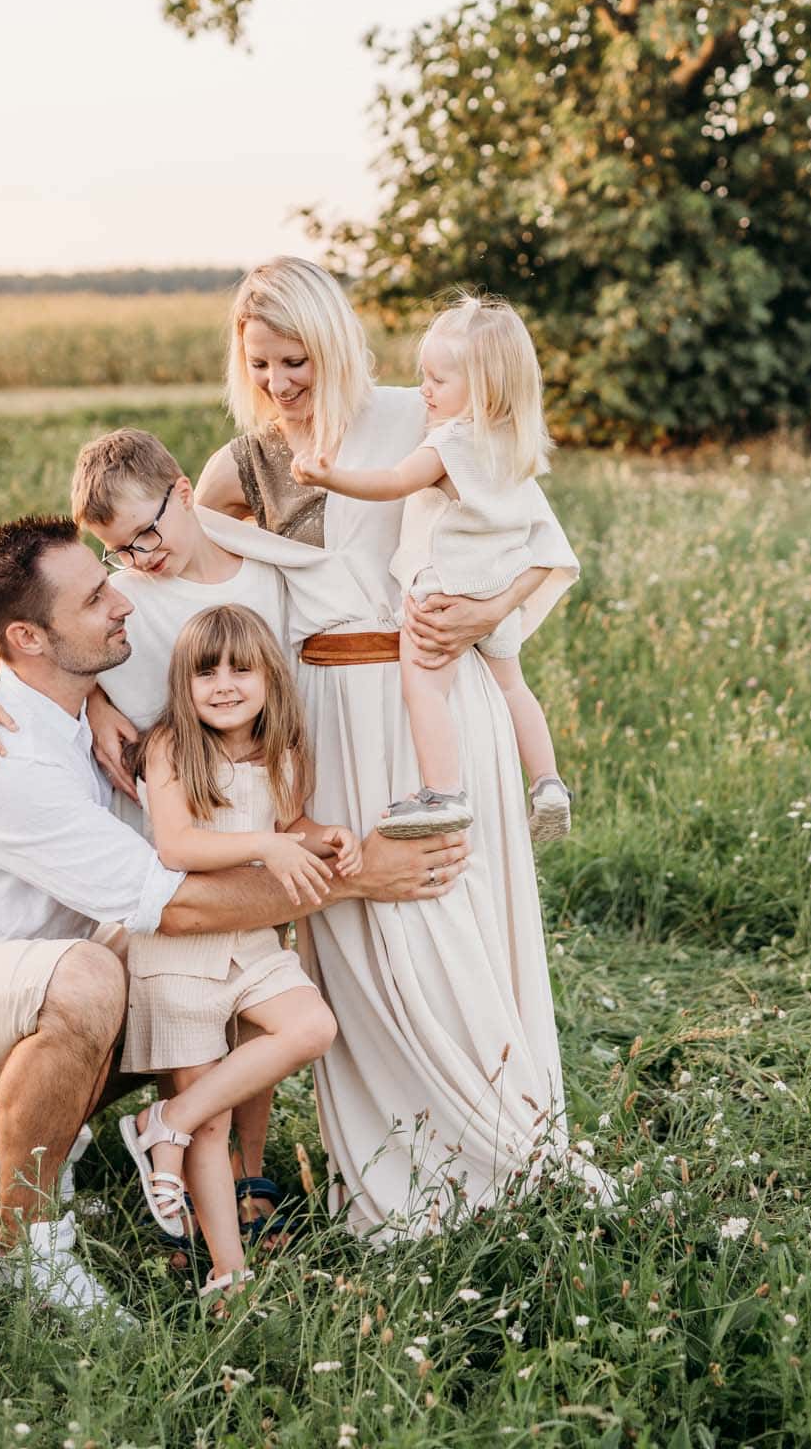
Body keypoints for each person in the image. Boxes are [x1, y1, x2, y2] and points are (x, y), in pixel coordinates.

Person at [0, 515, 469, 1319]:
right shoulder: (5, 763)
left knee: (191, 971)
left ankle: (0, 1140)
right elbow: (175, 905)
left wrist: (16, 681)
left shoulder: (73, 701)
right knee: (95, 975)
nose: (123, 603)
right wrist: (356, 878)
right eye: (95, 599)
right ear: (29, 639)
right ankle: (26, 1251)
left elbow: (10, 636)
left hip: (31, 966)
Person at [196, 256, 609, 1238]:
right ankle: (396, 1195)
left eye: (296, 359)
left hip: (434, 701)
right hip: (327, 719)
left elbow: (533, 531)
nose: (279, 382)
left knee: (449, 922)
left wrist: (491, 609)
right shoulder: (244, 465)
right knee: (362, 942)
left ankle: (509, 1156)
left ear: (334, 344)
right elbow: (132, 559)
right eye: (261, 363)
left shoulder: (420, 416)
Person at [119, 606, 357, 1297]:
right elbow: (177, 847)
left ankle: (164, 1124)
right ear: (184, 684)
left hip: (251, 944)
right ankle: (228, 1273)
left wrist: (325, 835)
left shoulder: (282, 749)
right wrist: (266, 846)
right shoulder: (172, 746)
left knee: (311, 1027)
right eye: (206, 673)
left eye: (240, 670)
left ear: (269, 678)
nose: (224, 685)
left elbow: (290, 822)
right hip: (180, 950)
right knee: (214, 1117)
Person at [292, 293, 573, 844]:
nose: (424, 390)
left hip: (443, 593)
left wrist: (330, 477)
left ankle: (444, 791)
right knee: (514, 688)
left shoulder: (450, 442)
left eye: (438, 380)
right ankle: (548, 782)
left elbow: (394, 482)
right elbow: (538, 538)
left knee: (423, 688)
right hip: (497, 596)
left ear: (484, 388)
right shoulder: (512, 447)